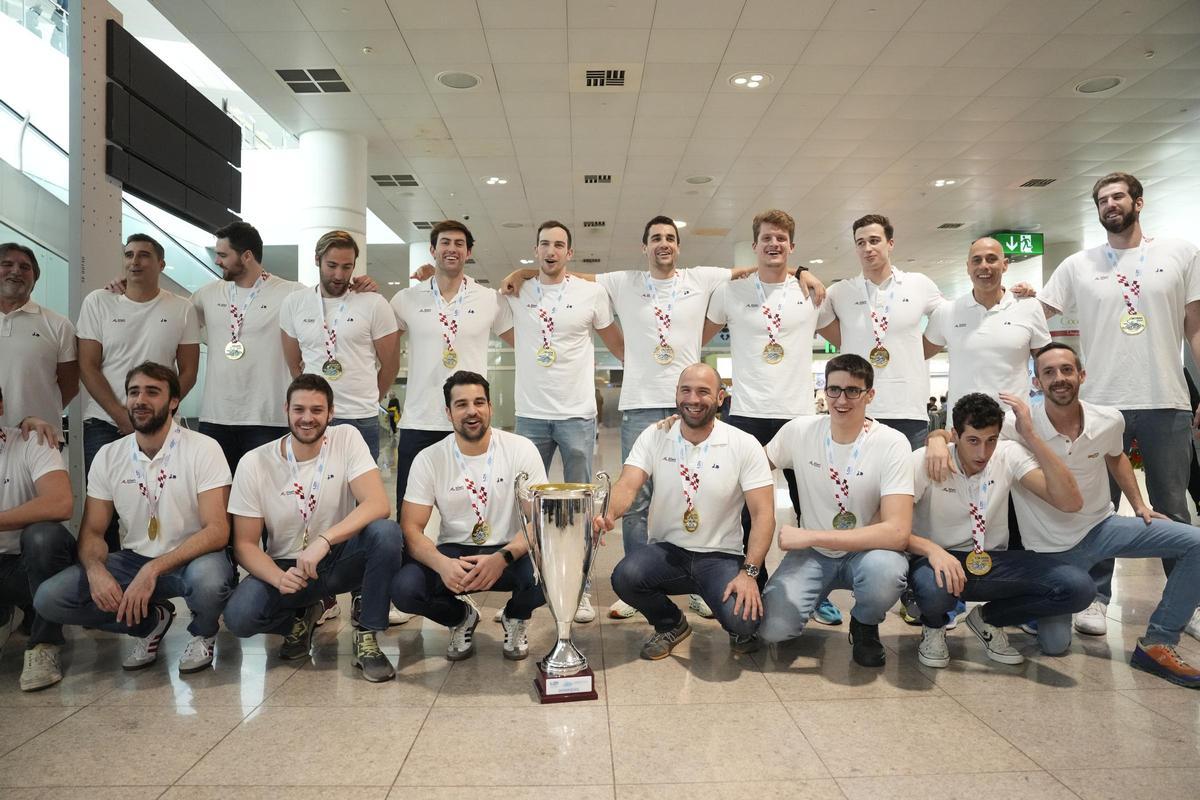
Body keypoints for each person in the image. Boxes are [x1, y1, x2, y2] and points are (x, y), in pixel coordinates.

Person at [502, 215, 825, 620]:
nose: (663, 244)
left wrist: (801, 270)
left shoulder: (702, 278)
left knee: (705, 489)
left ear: (678, 245)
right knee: (636, 501)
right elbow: (568, 271)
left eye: (670, 238)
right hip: (639, 403)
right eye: (655, 238)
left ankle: (694, 583)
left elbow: (757, 264)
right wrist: (525, 270)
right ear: (644, 246)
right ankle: (639, 588)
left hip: (688, 403)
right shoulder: (623, 282)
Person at [932, 343, 1200, 687]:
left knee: (1194, 541)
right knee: (1056, 646)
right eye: (1049, 372)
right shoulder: (1017, 425)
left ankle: (1160, 641)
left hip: (1103, 527)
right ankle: (990, 616)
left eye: (1067, 370)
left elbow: (1116, 456)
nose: (1059, 378)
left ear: (1081, 375)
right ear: (1037, 382)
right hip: (1049, 551)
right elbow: (959, 435)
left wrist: (1140, 504)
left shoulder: (1108, 419)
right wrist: (938, 441)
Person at [1019, 173, 1200, 638]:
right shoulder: (1079, 265)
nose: (1110, 204)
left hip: (1166, 400)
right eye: (1102, 200)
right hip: (1098, 406)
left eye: (1118, 196)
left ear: (1139, 201)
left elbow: (1196, 328)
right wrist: (1010, 303)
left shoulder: (1180, 253)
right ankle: (1095, 599)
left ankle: (1186, 602)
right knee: (1098, 509)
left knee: (1171, 508)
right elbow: (1036, 318)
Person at [34, 362, 236, 675]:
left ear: (173, 401)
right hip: (133, 559)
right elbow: (92, 532)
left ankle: (203, 633)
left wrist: (154, 569)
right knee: (50, 598)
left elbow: (218, 531)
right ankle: (150, 624)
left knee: (209, 583)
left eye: (152, 392)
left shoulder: (203, 448)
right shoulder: (109, 455)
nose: (140, 400)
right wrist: (96, 569)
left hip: (194, 558)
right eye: (133, 392)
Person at [704, 209, 842, 627]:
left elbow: (847, 338)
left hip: (799, 418)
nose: (774, 244)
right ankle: (755, 584)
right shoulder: (731, 292)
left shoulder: (812, 294)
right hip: (746, 415)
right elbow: (695, 335)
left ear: (792, 246)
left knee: (811, 508)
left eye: (781, 238)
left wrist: (807, 273)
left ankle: (814, 591)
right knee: (746, 511)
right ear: (755, 244)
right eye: (766, 237)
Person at [222, 374, 403, 682]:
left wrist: (324, 540)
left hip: (336, 557)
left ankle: (368, 636)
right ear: (286, 410)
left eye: (317, 410)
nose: (308, 418)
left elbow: (377, 504)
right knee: (239, 617)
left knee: (386, 534)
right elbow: (245, 544)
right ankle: (300, 617)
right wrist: (278, 577)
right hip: (286, 567)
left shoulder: (345, 438)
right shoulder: (254, 463)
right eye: (299, 410)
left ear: (330, 413)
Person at [599, 364, 775, 659]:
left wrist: (749, 573)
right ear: (677, 395)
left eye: (703, 392)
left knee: (745, 623)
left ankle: (729, 615)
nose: (693, 399)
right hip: (669, 552)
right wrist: (607, 514)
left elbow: (763, 515)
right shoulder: (655, 436)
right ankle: (670, 623)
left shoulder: (743, 444)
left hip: (721, 556)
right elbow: (628, 485)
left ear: (720, 398)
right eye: (686, 390)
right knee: (625, 577)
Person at [909, 393, 1093, 669]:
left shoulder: (1008, 454)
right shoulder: (927, 459)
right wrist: (932, 551)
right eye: (973, 440)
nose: (983, 453)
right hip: (936, 560)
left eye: (991, 440)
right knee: (934, 593)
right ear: (954, 436)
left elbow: (1070, 502)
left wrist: (1031, 437)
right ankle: (934, 627)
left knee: (1077, 587)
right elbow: (890, 526)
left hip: (992, 561)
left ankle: (989, 620)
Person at [758, 354, 913, 668]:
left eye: (853, 391)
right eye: (834, 390)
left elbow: (897, 533)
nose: (842, 399)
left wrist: (809, 535)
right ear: (824, 391)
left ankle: (865, 624)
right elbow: (752, 467)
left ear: (870, 395)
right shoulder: (799, 432)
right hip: (813, 555)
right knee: (773, 630)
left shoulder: (892, 443)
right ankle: (808, 600)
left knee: (886, 573)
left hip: (868, 552)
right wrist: (699, 435)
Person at [505, 220, 623, 623]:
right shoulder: (517, 291)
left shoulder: (592, 293)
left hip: (576, 414)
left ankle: (582, 585)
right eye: (544, 244)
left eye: (559, 245)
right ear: (535, 250)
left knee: (580, 508)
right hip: (531, 415)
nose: (551, 251)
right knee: (525, 504)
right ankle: (530, 581)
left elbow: (617, 343)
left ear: (570, 253)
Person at [392, 371, 547, 662]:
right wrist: (443, 565)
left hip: (510, 550)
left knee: (552, 572)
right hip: (455, 554)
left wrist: (503, 557)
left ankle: (515, 617)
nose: (472, 411)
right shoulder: (429, 458)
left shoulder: (520, 449)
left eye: (479, 402)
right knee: (405, 590)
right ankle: (460, 617)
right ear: (448, 413)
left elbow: (538, 520)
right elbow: (411, 528)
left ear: (490, 407)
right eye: (461, 404)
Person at [77, 234, 200, 547]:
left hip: (160, 429)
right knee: (102, 515)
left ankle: (153, 586)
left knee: (157, 505)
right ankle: (103, 590)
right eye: (129, 255)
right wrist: (121, 415)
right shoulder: (98, 302)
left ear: (160, 264)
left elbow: (188, 372)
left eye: (144, 255)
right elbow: (88, 366)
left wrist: (160, 414)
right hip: (104, 424)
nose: (135, 261)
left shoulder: (181, 309)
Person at [389, 221, 514, 524]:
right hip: (420, 420)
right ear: (433, 250)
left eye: (459, 244)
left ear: (468, 252)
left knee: (471, 507)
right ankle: (413, 571)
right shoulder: (406, 299)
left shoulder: (489, 300)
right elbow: (381, 347)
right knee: (411, 512)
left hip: (470, 420)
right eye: (445, 243)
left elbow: (525, 342)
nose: (452, 249)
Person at [818, 215, 944, 450]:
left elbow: (948, 317)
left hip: (908, 411)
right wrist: (802, 273)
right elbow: (819, 319)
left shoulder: (918, 284)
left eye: (874, 240)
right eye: (860, 242)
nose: (867, 248)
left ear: (890, 243)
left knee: (908, 484)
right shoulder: (840, 292)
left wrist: (920, 350)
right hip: (858, 411)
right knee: (857, 484)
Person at [189, 221, 301, 472]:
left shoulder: (290, 293)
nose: (217, 261)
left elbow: (328, 303)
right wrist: (124, 287)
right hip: (215, 418)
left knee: (265, 500)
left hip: (268, 419)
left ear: (247, 256)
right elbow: (170, 312)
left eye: (223, 255)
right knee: (216, 499)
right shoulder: (206, 295)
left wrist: (358, 287)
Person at [280, 230, 399, 463]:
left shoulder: (374, 303)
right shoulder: (295, 304)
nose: (338, 274)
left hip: (361, 417)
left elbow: (391, 365)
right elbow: (295, 366)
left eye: (347, 267)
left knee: (361, 495)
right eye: (331, 265)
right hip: (313, 417)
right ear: (317, 260)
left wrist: (370, 398)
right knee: (312, 489)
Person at [923, 237, 1050, 423]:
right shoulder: (947, 312)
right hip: (963, 429)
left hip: (1015, 427)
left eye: (991, 259)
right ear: (968, 267)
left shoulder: (1029, 307)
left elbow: (1048, 364)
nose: (984, 266)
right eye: (977, 260)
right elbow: (916, 355)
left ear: (1005, 265)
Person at [0, 388, 76, 691]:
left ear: (2, 405)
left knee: (43, 536)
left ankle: (45, 644)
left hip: (27, 564)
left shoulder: (31, 439)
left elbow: (60, 503)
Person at [0, 243, 78, 438]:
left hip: (40, 439)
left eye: (25, 267)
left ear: (35, 278)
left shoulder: (59, 325)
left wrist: (42, 409)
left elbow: (69, 386)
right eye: (6, 264)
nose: (16, 271)